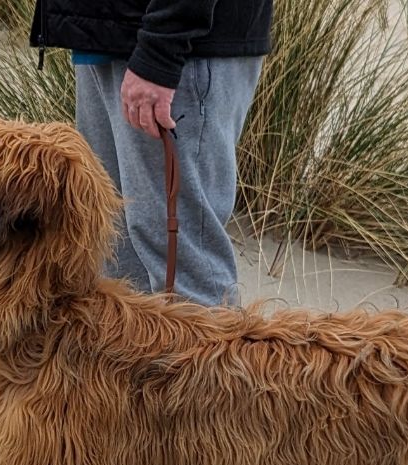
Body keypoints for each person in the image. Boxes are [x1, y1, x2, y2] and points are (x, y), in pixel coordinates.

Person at [31, 1, 273, 306]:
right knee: (117, 258)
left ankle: (207, 355)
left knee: (186, 278)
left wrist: (161, 48)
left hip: (173, 48)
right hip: (108, 36)